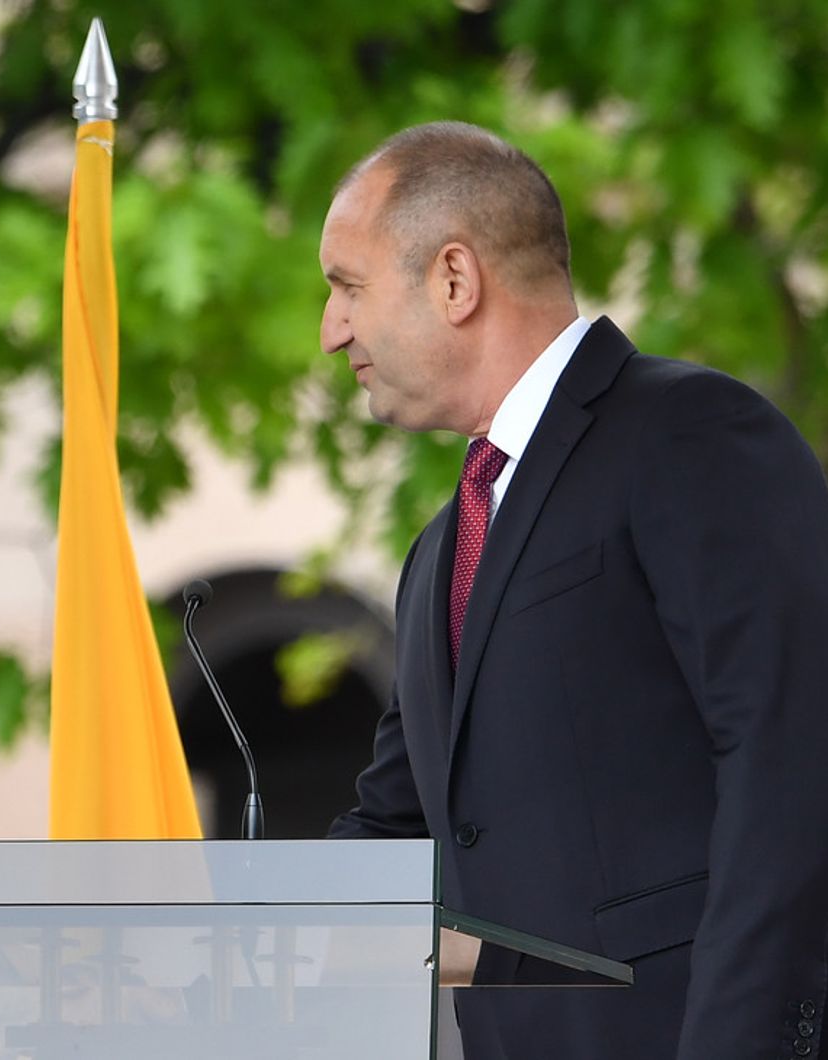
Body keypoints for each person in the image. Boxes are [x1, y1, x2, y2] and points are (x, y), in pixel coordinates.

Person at [321, 122, 828, 1059]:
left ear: (455, 280)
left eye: (347, 287)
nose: (331, 331)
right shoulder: (440, 551)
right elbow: (400, 828)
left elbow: (791, 763)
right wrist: (206, 943)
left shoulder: (693, 435)